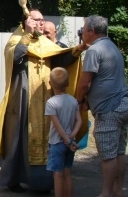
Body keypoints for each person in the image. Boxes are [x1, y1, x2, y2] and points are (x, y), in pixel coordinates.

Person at [0, 9, 89, 193]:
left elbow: (61, 59)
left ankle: (42, 183)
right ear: (26, 22)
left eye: (42, 20)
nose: (41, 23)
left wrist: (77, 50)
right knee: (19, 138)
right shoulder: (16, 40)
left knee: (47, 139)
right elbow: (16, 57)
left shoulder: (45, 43)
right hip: (22, 101)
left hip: (46, 98)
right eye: (36, 20)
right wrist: (26, 35)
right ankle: (14, 180)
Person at [76, 15, 128, 197]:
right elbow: (104, 79)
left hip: (110, 109)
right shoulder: (111, 46)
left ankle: (106, 193)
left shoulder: (94, 51)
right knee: (119, 152)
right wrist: (89, 100)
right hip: (125, 104)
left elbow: (85, 83)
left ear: (91, 31)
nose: (82, 32)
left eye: (84, 29)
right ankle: (118, 191)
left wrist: (78, 101)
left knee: (108, 156)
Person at [45, 67, 82, 197]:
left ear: (50, 84)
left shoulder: (51, 103)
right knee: (67, 173)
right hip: (70, 143)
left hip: (57, 143)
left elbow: (57, 126)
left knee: (58, 175)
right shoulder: (73, 100)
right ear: (68, 83)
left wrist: (67, 139)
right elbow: (79, 121)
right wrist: (72, 137)